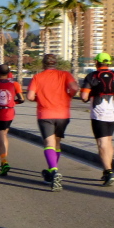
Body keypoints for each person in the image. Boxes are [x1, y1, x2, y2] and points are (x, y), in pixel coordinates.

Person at [27, 53, 80, 192]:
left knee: (49, 143)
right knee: (56, 143)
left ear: (43, 64)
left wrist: (39, 99)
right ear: (56, 63)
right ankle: (52, 171)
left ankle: (54, 171)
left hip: (45, 114)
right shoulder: (65, 75)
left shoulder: (38, 77)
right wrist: (69, 96)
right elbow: (75, 88)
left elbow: (30, 96)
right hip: (63, 114)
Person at [80, 52, 114, 186]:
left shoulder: (92, 76)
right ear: (108, 63)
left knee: (102, 142)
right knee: (109, 140)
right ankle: (107, 170)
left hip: (99, 109)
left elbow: (84, 96)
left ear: (96, 63)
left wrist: (88, 96)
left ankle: (109, 172)